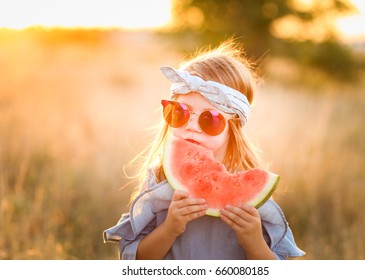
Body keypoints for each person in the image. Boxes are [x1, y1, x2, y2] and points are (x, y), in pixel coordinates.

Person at [103, 40, 305, 260]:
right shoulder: (158, 178)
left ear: (234, 128)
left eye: (210, 119)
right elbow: (135, 260)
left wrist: (255, 243)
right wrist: (170, 228)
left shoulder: (252, 188)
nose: (191, 126)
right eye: (179, 112)